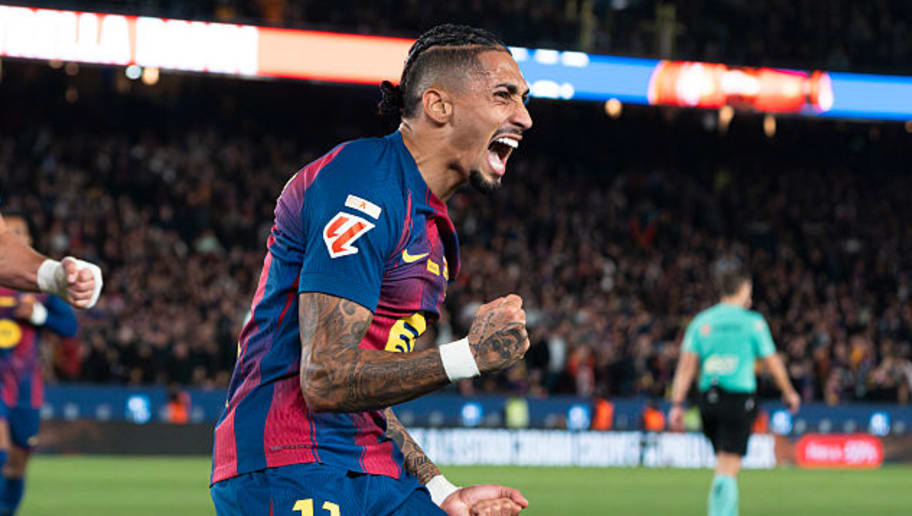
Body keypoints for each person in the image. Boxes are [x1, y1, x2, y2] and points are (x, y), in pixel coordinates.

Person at [211, 24, 533, 516]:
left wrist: (440, 490)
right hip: (291, 462)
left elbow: (363, 388)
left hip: (372, 470)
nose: (524, 117)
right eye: (503, 95)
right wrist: (469, 356)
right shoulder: (363, 181)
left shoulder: (433, 231)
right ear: (438, 105)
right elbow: (325, 377)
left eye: (523, 100)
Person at [669, 265, 800, 516]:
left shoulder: (702, 322)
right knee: (728, 468)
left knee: (723, 462)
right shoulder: (753, 323)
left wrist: (677, 404)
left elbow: (686, 367)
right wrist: (789, 392)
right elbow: (772, 362)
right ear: (743, 289)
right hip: (738, 400)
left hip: (708, 401)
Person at [0, 213, 78, 515]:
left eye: (19, 233)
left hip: (25, 385)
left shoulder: (38, 286)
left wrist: (38, 315)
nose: (13, 238)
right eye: (8, 232)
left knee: (18, 462)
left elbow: (69, 327)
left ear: (29, 240)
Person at [0, 205, 102, 310]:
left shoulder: (46, 293)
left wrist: (54, 275)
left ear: (30, 237)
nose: (13, 238)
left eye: (17, 232)